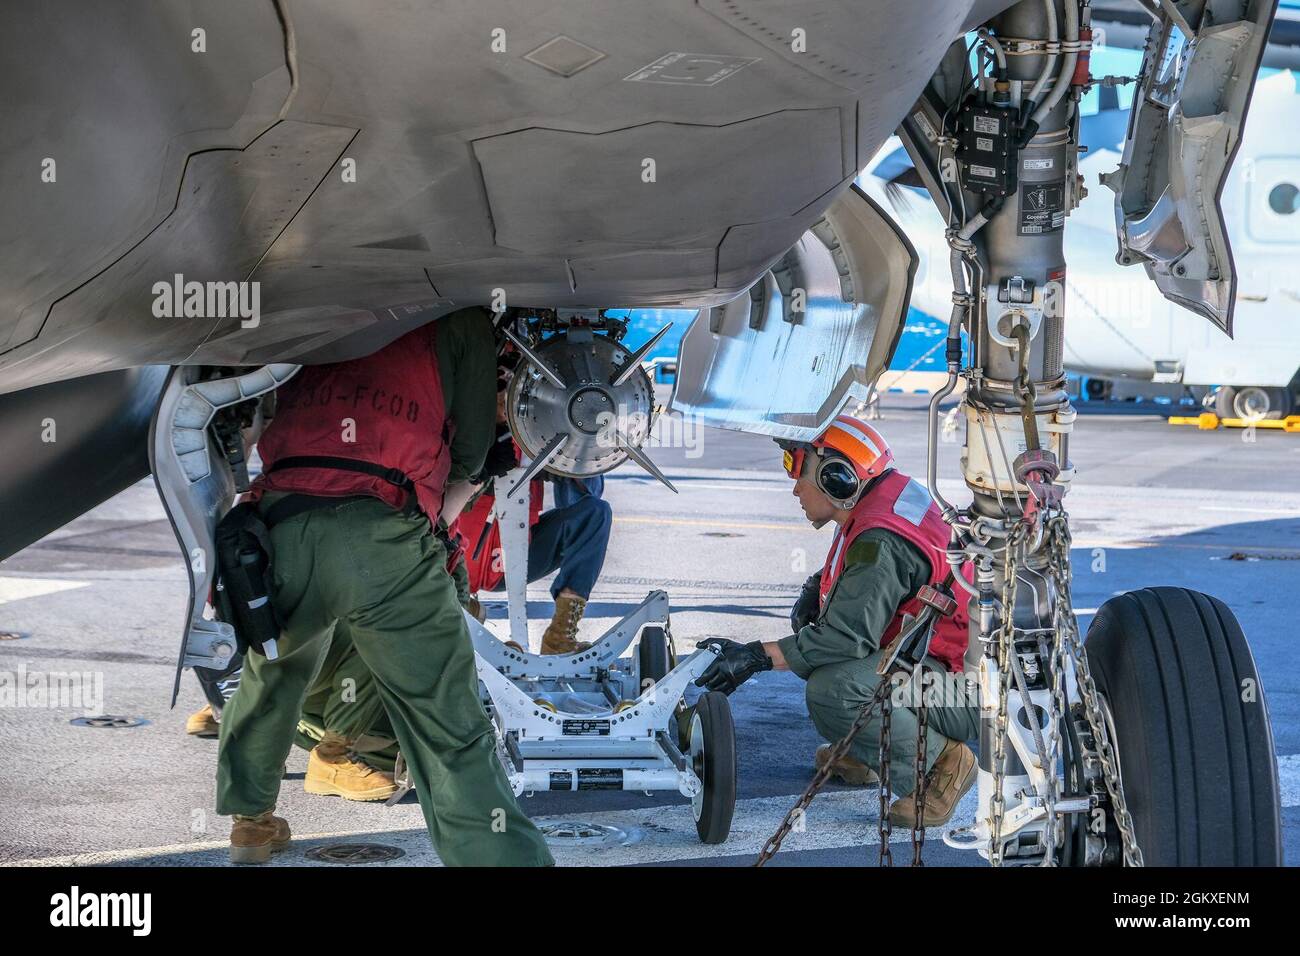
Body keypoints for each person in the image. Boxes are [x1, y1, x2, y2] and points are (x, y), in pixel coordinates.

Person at [213, 307, 553, 866]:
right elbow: (470, 450)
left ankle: (250, 826)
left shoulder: (319, 287)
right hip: (383, 529)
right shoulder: (458, 310)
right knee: (442, 715)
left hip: (283, 522)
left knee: (271, 673)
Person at [694, 415, 979, 828]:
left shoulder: (882, 541)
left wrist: (756, 657)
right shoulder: (884, 496)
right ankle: (870, 750)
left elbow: (844, 640)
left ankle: (940, 767)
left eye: (796, 467)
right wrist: (817, 585)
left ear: (837, 478)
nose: (794, 486)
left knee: (835, 689)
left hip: (962, 691)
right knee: (827, 664)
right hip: (952, 670)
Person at [454, 374, 613, 655]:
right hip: (457, 559)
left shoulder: (531, 438)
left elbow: (581, 480)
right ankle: (456, 603)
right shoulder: (459, 432)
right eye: (501, 392)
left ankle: (559, 638)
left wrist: (581, 433)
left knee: (595, 514)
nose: (506, 403)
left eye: (511, 394)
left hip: (515, 558)